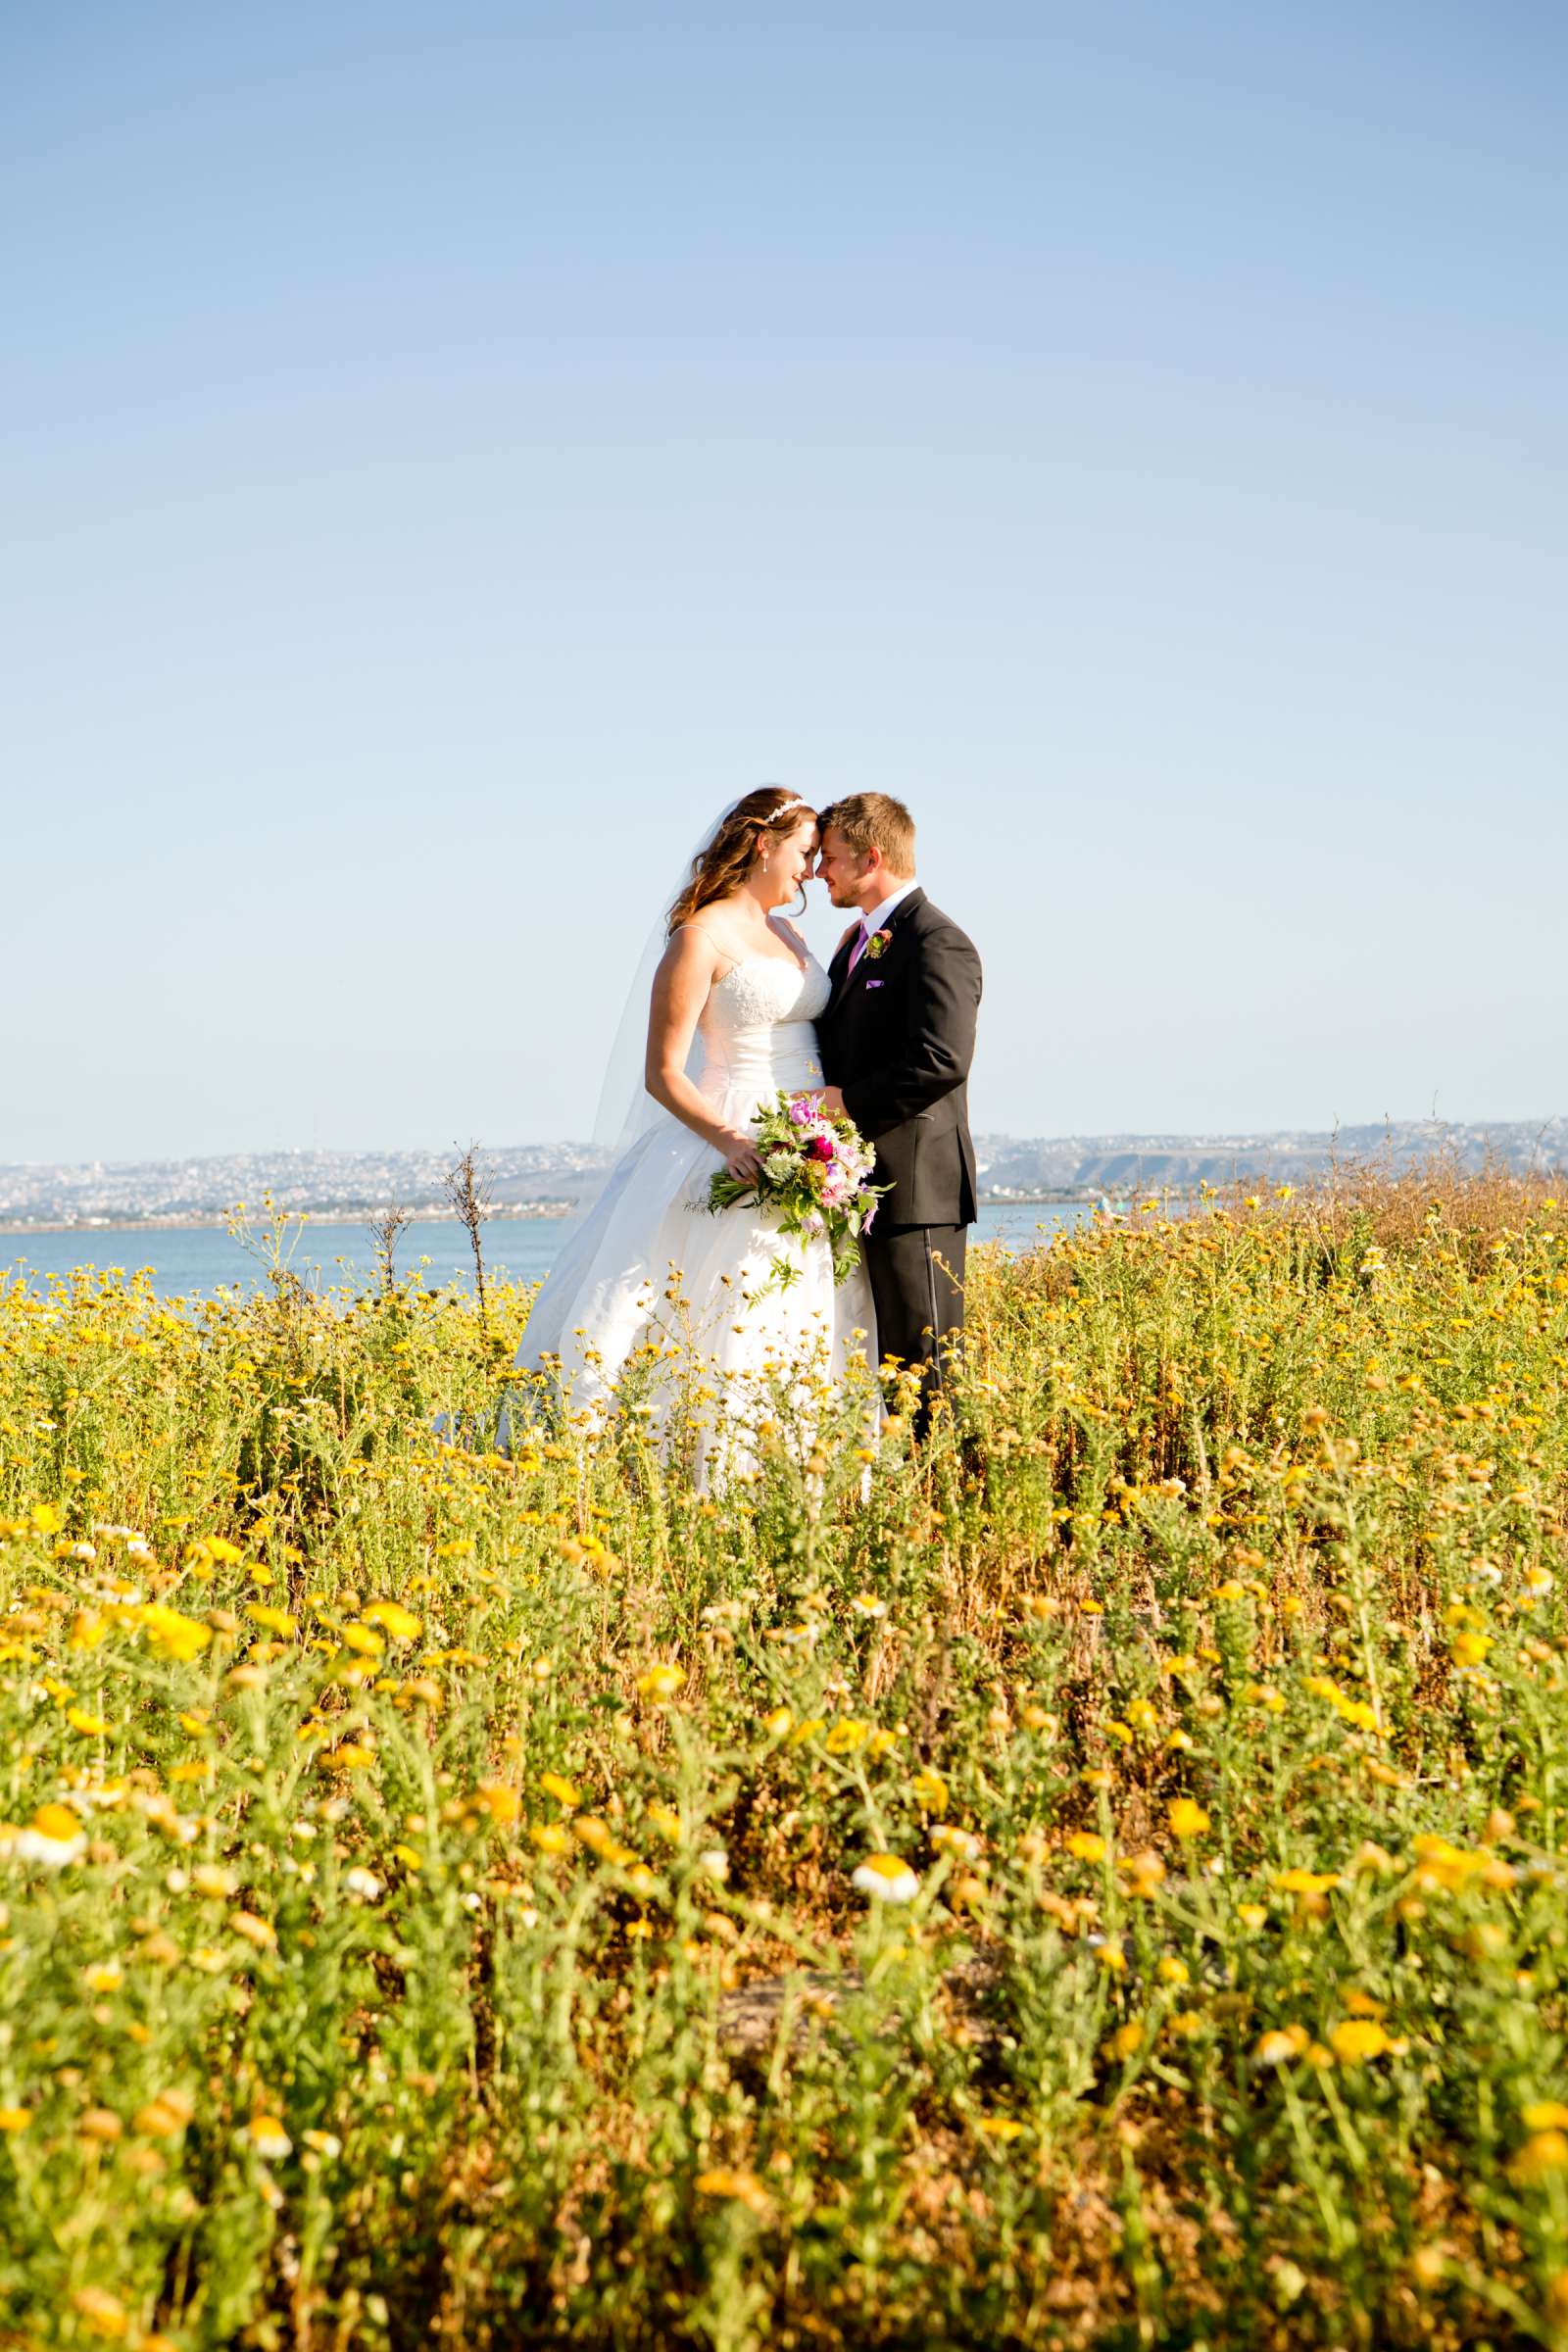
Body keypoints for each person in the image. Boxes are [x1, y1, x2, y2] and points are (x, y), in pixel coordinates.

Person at [502, 788, 877, 1481]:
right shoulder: (699, 937)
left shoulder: (790, 936)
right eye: (803, 852)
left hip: (809, 1140)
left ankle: (795, 1466)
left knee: (796, 1301)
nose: (812, 870)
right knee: (718, 1300)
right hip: (731, 1132)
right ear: (764, 844)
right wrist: (733, 1141)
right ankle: (694, 1471)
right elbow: (663, 1072)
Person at [812, 793, 982, 1434]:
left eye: (830, 858)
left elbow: (942, 1060)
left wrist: (845, 1103)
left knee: (928, 1369)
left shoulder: (937, 941)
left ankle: (948, 1517)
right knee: (885, 1369)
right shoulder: (855, 942)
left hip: (918, 1193)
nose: (819, 872)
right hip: (859, 1184)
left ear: (872, 857)